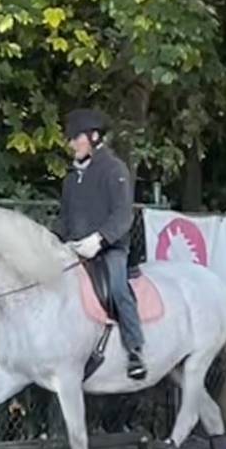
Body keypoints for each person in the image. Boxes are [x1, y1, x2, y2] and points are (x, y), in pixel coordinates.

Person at [56, 108, 147, 380]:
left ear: (94, 137)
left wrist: (99, 239)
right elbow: (65, 217)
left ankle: (135, 350)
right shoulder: (71, 178)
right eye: (70, 139)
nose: (71, 144)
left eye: (76, 138)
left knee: (118, 289)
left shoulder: (114, 169)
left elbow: (122, 214)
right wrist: (59, 242)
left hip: (109, 248)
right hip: (74, 248)